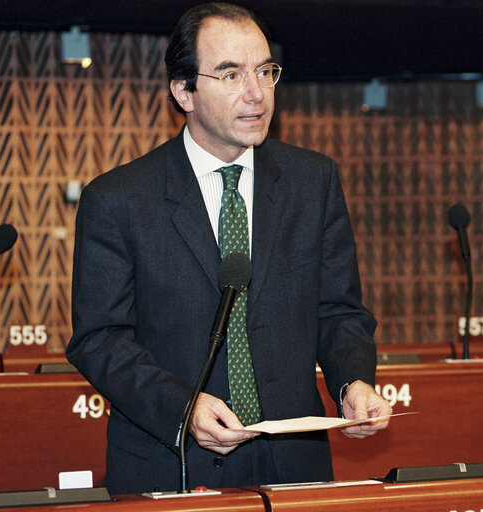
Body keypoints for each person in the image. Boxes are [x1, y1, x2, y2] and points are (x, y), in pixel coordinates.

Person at [66, 2, 391, 495]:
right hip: (172, 464)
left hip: (294, 463)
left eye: (265, 71)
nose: (257, 93)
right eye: (231, 74)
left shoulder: (312, 181)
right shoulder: (118, 200)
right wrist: (184, 406)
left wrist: (353, 382)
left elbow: (338, 310)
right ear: (184, 91)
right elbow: (100, 338)